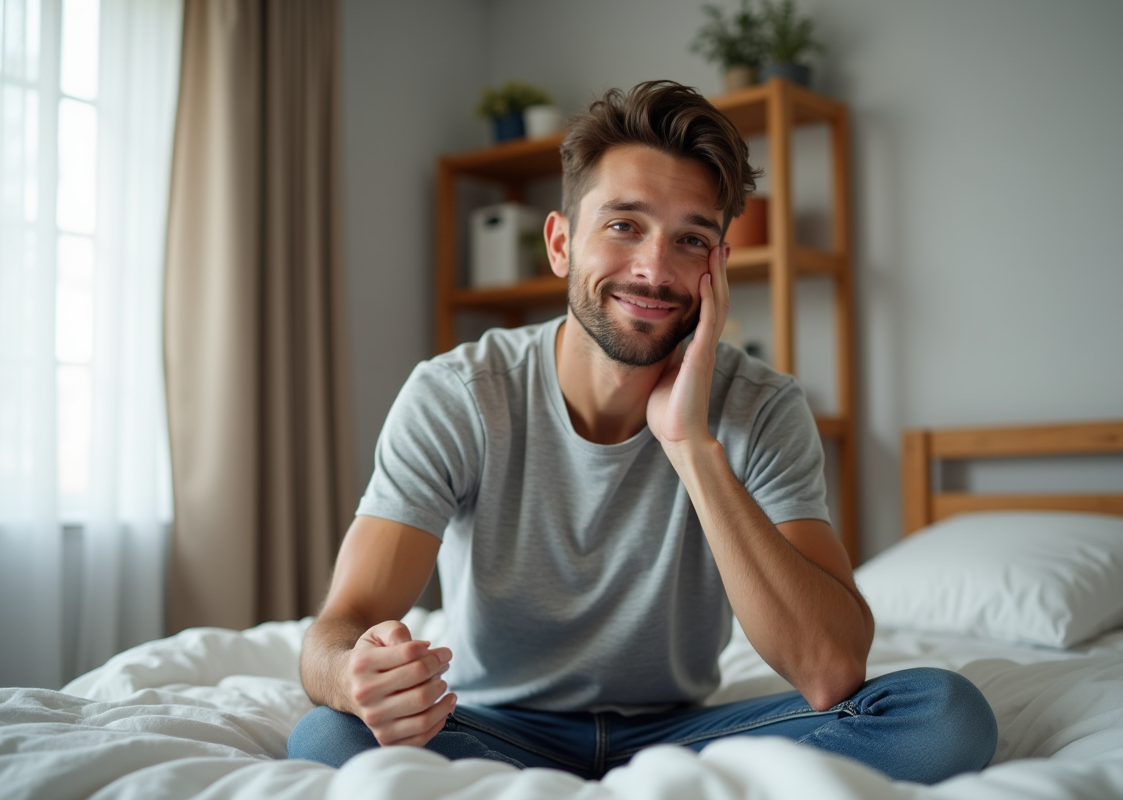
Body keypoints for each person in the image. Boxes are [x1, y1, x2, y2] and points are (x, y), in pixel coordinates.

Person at [287, 80, 997, 783]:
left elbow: (830, 670)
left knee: (943, 717)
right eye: (624, 225)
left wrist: (692, 446)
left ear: (718, 267)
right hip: (492, 726)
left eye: (691, 239)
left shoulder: (765, 407)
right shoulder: (460, 395)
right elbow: (339, 625)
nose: (655, 269)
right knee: (329, 734)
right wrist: (356, 678)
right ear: (561, 243)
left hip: (684, 734)